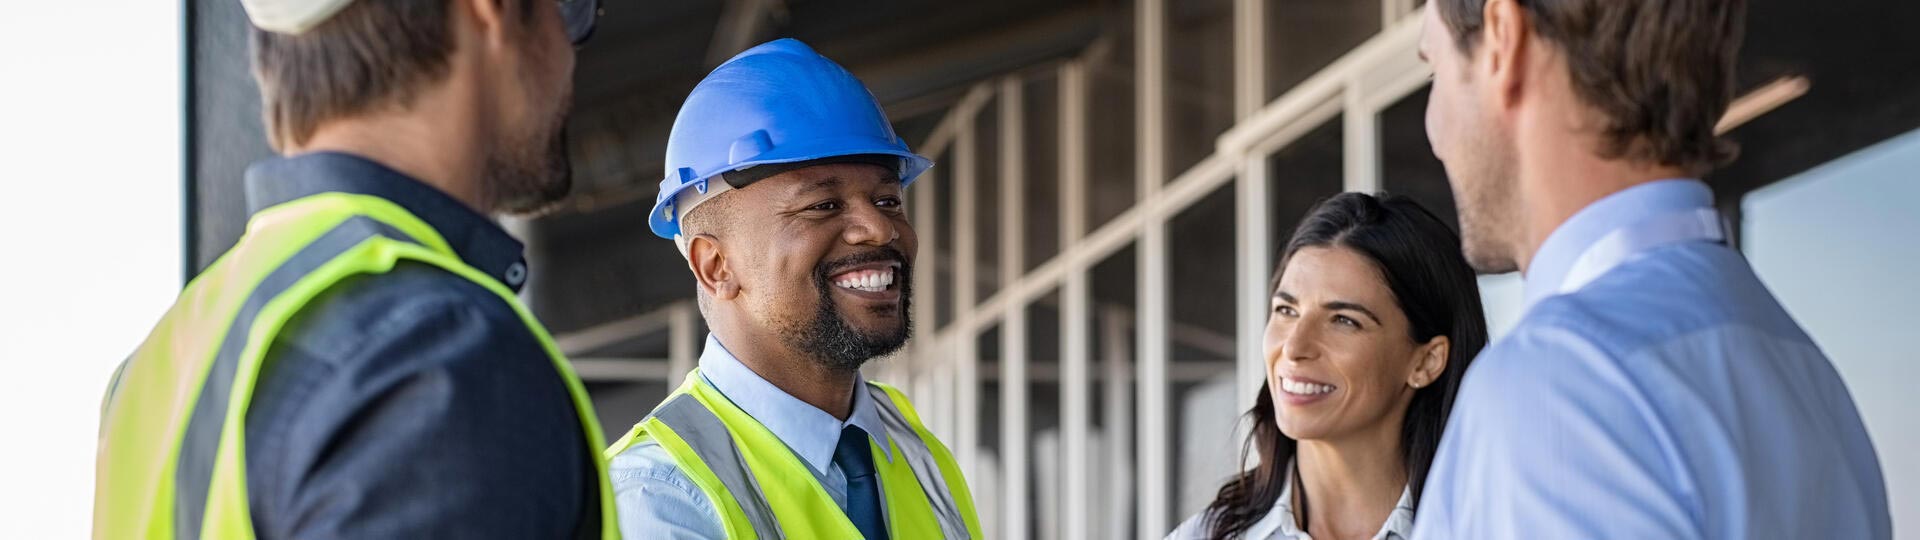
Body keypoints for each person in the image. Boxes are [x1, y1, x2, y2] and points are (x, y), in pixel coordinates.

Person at [93, 0, 617, 538]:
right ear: (489, 11)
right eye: (570, 10)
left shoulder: (162, 362)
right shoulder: (434, 358)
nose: (569, 51)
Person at [1412, 0, 1891, 538]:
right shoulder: (1805, 374)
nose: (1432, 131)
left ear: (1503, 37)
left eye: (1436, 70)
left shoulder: (1557, 387)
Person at [603, 38, 982, 540]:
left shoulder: (912, 446)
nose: (880, 229)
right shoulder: (659, 499)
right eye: (823, 205)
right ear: (715, 266)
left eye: (888, 200)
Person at [1168, 193, 1488, 540]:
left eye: (1343, 321)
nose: (1294, 347)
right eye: (1286, 310)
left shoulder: (1495, 526)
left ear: (1427, 361)